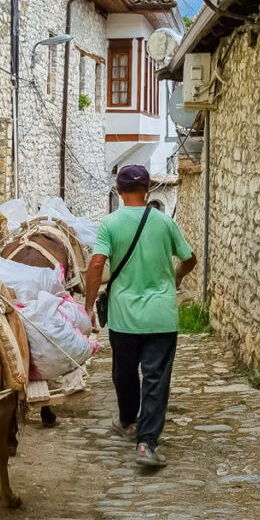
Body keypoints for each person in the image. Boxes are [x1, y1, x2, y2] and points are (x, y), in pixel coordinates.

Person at [85, 165, 197, 467]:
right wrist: (178, 277)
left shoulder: (110, 223)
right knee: (155, 379)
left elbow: (96, 264)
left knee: (124, 374)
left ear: (119, 192)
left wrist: (88, 306)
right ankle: (146, 444)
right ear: (148, 191)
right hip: (161, 317)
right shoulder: (163, 222)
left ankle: (128, 421)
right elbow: (190, 258)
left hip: (124, 318)